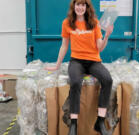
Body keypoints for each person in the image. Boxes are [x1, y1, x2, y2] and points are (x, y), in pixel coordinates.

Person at [45, 0, 113, 134]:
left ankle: (100, 122)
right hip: (76, 61)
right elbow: (64, 46)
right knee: (75, 82)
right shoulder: (67, 23)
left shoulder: (94, 22)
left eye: (83, 5)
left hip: (94, 61)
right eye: (78, 4)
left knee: (107, 80)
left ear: (87, 7)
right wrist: (57, 65)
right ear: (74, 6)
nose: (80, 7)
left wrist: (107, 36)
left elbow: (99, 48)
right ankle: (73, 125)